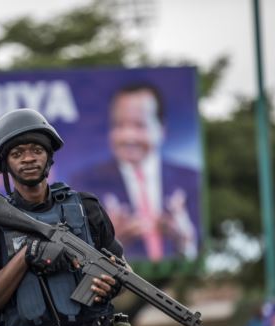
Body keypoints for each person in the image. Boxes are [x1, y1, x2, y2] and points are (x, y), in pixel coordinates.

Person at [0, 109, 130, 326]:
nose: (28, 158)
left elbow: (121, 267)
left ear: (49, 157)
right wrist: (27, 256)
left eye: (36, 150)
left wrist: (112, 284)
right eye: (17, 154)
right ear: (5, 163)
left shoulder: (87, 208)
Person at [70, 83, 199, 262]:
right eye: (119, 125)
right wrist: (108, 244)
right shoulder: (82, 184)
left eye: (139, 125)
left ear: (161, 129)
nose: (128, 136)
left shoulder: (191, 180)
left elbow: (201, 253)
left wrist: (185, 242)